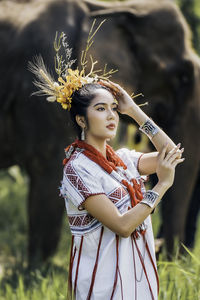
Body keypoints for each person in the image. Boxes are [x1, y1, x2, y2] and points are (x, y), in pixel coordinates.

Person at [29, 28, 185, 300]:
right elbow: (123, 226)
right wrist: (162, 186)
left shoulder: (122, 160)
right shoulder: (77, 169)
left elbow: (170, 152)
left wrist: (134, 111)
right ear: (81, 119)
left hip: (135, 281)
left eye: (114, 108)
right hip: (102, 286)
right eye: (100, 109)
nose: (111, 116)